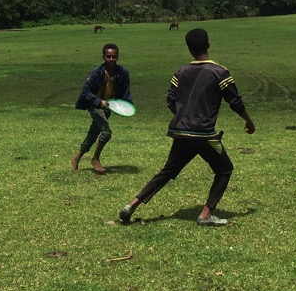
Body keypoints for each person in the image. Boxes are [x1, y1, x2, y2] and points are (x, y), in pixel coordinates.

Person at [119, 28, 254, 227]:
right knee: (225, 169)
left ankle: (131, 205)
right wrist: (249, 121)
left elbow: (170, 101)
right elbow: (235, 102)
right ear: (208, 44)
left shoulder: (181, 72)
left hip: (180, 131)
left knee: (168, 171)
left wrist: (183, 116)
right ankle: (206, 215)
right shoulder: (219, 72)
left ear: (189, 49)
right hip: (203, 134)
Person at [71, 43, 132, 174]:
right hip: (95, 106)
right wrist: (99, 101)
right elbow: (85, 91)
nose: (111, 59)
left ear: (117, 57)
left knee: (93, 133)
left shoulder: (123, 72)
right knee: (106, 133)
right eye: (108, 56)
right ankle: (95, 158)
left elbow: (125, 92)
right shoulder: (96, 73)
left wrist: (127, 106)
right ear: (103, 57)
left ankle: (76, 158)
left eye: (114, 56)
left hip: (109, 107)